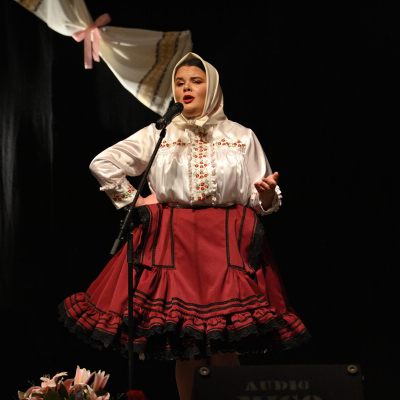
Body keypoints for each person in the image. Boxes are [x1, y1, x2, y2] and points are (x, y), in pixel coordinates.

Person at [58, 53, 310, 400]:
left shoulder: (240, 136)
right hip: (174, 241)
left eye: (195, 81)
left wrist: (265, 195)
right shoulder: (160, 133)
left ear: (212, 87)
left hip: (225, 242)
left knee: (224, 341)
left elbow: (260, 197)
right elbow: (103, 163)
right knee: (186, 344)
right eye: (179, 82)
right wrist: (134, 200)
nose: (186, 88)